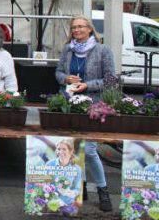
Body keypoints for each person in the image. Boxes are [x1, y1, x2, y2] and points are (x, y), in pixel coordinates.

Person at [55, 15, 114, 212]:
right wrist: (66, 79)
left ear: (90, 29)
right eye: (74, 27)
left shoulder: (103, 50)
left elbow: (110, 80)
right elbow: (58, 73)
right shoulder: (67, 49)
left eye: (81, 27)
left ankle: (103, 190)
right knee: (75, 148)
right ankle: (81, 188)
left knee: (89, 150)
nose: (77, 30)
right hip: (70, 104)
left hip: (94, 106)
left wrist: (88, 84)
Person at [45, 139, 83, 208]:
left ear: (71, 151)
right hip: (51, 202)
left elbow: (77, 189)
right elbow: (44, 185)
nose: (60, 152)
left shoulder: (77, 169)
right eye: (58, 149)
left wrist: (70, 193)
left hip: (68, 204)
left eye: (64, 149)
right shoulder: (49, 164)